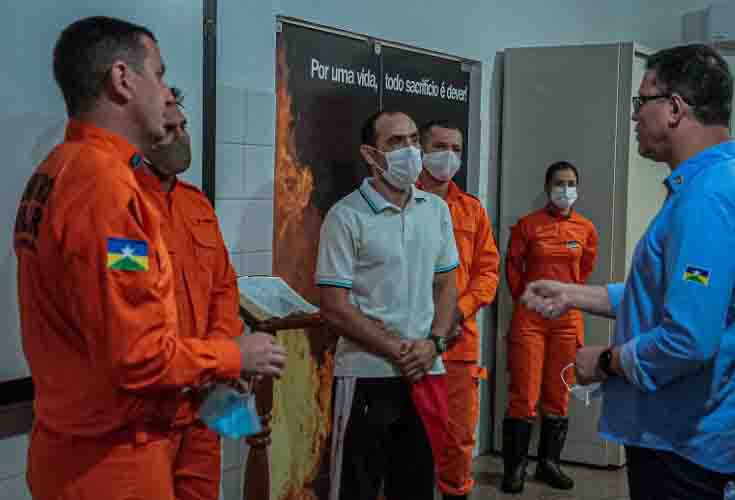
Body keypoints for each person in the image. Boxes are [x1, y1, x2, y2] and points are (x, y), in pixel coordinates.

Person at [15, 16, 285, 500]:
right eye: (158, 74)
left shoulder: (68, 170)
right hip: (112, 454)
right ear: (122, 79)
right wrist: (235, 354)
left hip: (162, 417)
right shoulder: (106, 188)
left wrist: (224, 372)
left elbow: (218, 288)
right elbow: (137, 358)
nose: (166, 95)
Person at [521, 44, 735, 500]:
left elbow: (688, 339)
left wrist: (605, 363)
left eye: (641, 103)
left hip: (682, 442)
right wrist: (573, 295)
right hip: (685, 437)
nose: (635, 117)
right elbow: (664, 295)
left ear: (674, 109)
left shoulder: (706, 200)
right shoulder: (715, 185)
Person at [316, 110, 460, 500]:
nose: (410, 150)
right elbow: (334, 306)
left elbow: (447, 284)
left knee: (415, 486)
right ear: (371, 154)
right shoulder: (345, 216)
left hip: (425, 371)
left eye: (414, 139)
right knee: (356, 487)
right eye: (396, 142)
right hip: (367, 374)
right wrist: (396, 349)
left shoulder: (436, 210)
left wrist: (434, 343)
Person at [135, 87, 243, 499]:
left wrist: (221, 359)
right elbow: (127, 305)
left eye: (184, 127)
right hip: (152, 404)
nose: (180, 137)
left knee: (205, 489)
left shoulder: (197, 204)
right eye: (167, 129)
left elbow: (223, 287)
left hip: (209, 391)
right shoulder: (122, 206)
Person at [501, 160, 598, 493]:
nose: (565, 189)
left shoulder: (585, 228)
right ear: (547, 187)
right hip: (530, 317)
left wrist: (565, 296)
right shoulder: (528, 226)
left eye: (571, 183)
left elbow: (584, 269)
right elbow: (512, 267)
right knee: (524, 394)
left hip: (567, 319)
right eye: (559, 183)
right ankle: (515, 469)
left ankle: (548, 464)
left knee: (558, 393)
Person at [416, 120, 500, 500]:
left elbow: (488, 272)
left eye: (456, 148)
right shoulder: (401, 203)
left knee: (458, 439)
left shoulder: (472, 211)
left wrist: (459, 310)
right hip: (407, 341)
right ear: (421, 149)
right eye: (439, 146)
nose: (448, 155)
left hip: (458, 343)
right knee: (407, 438)